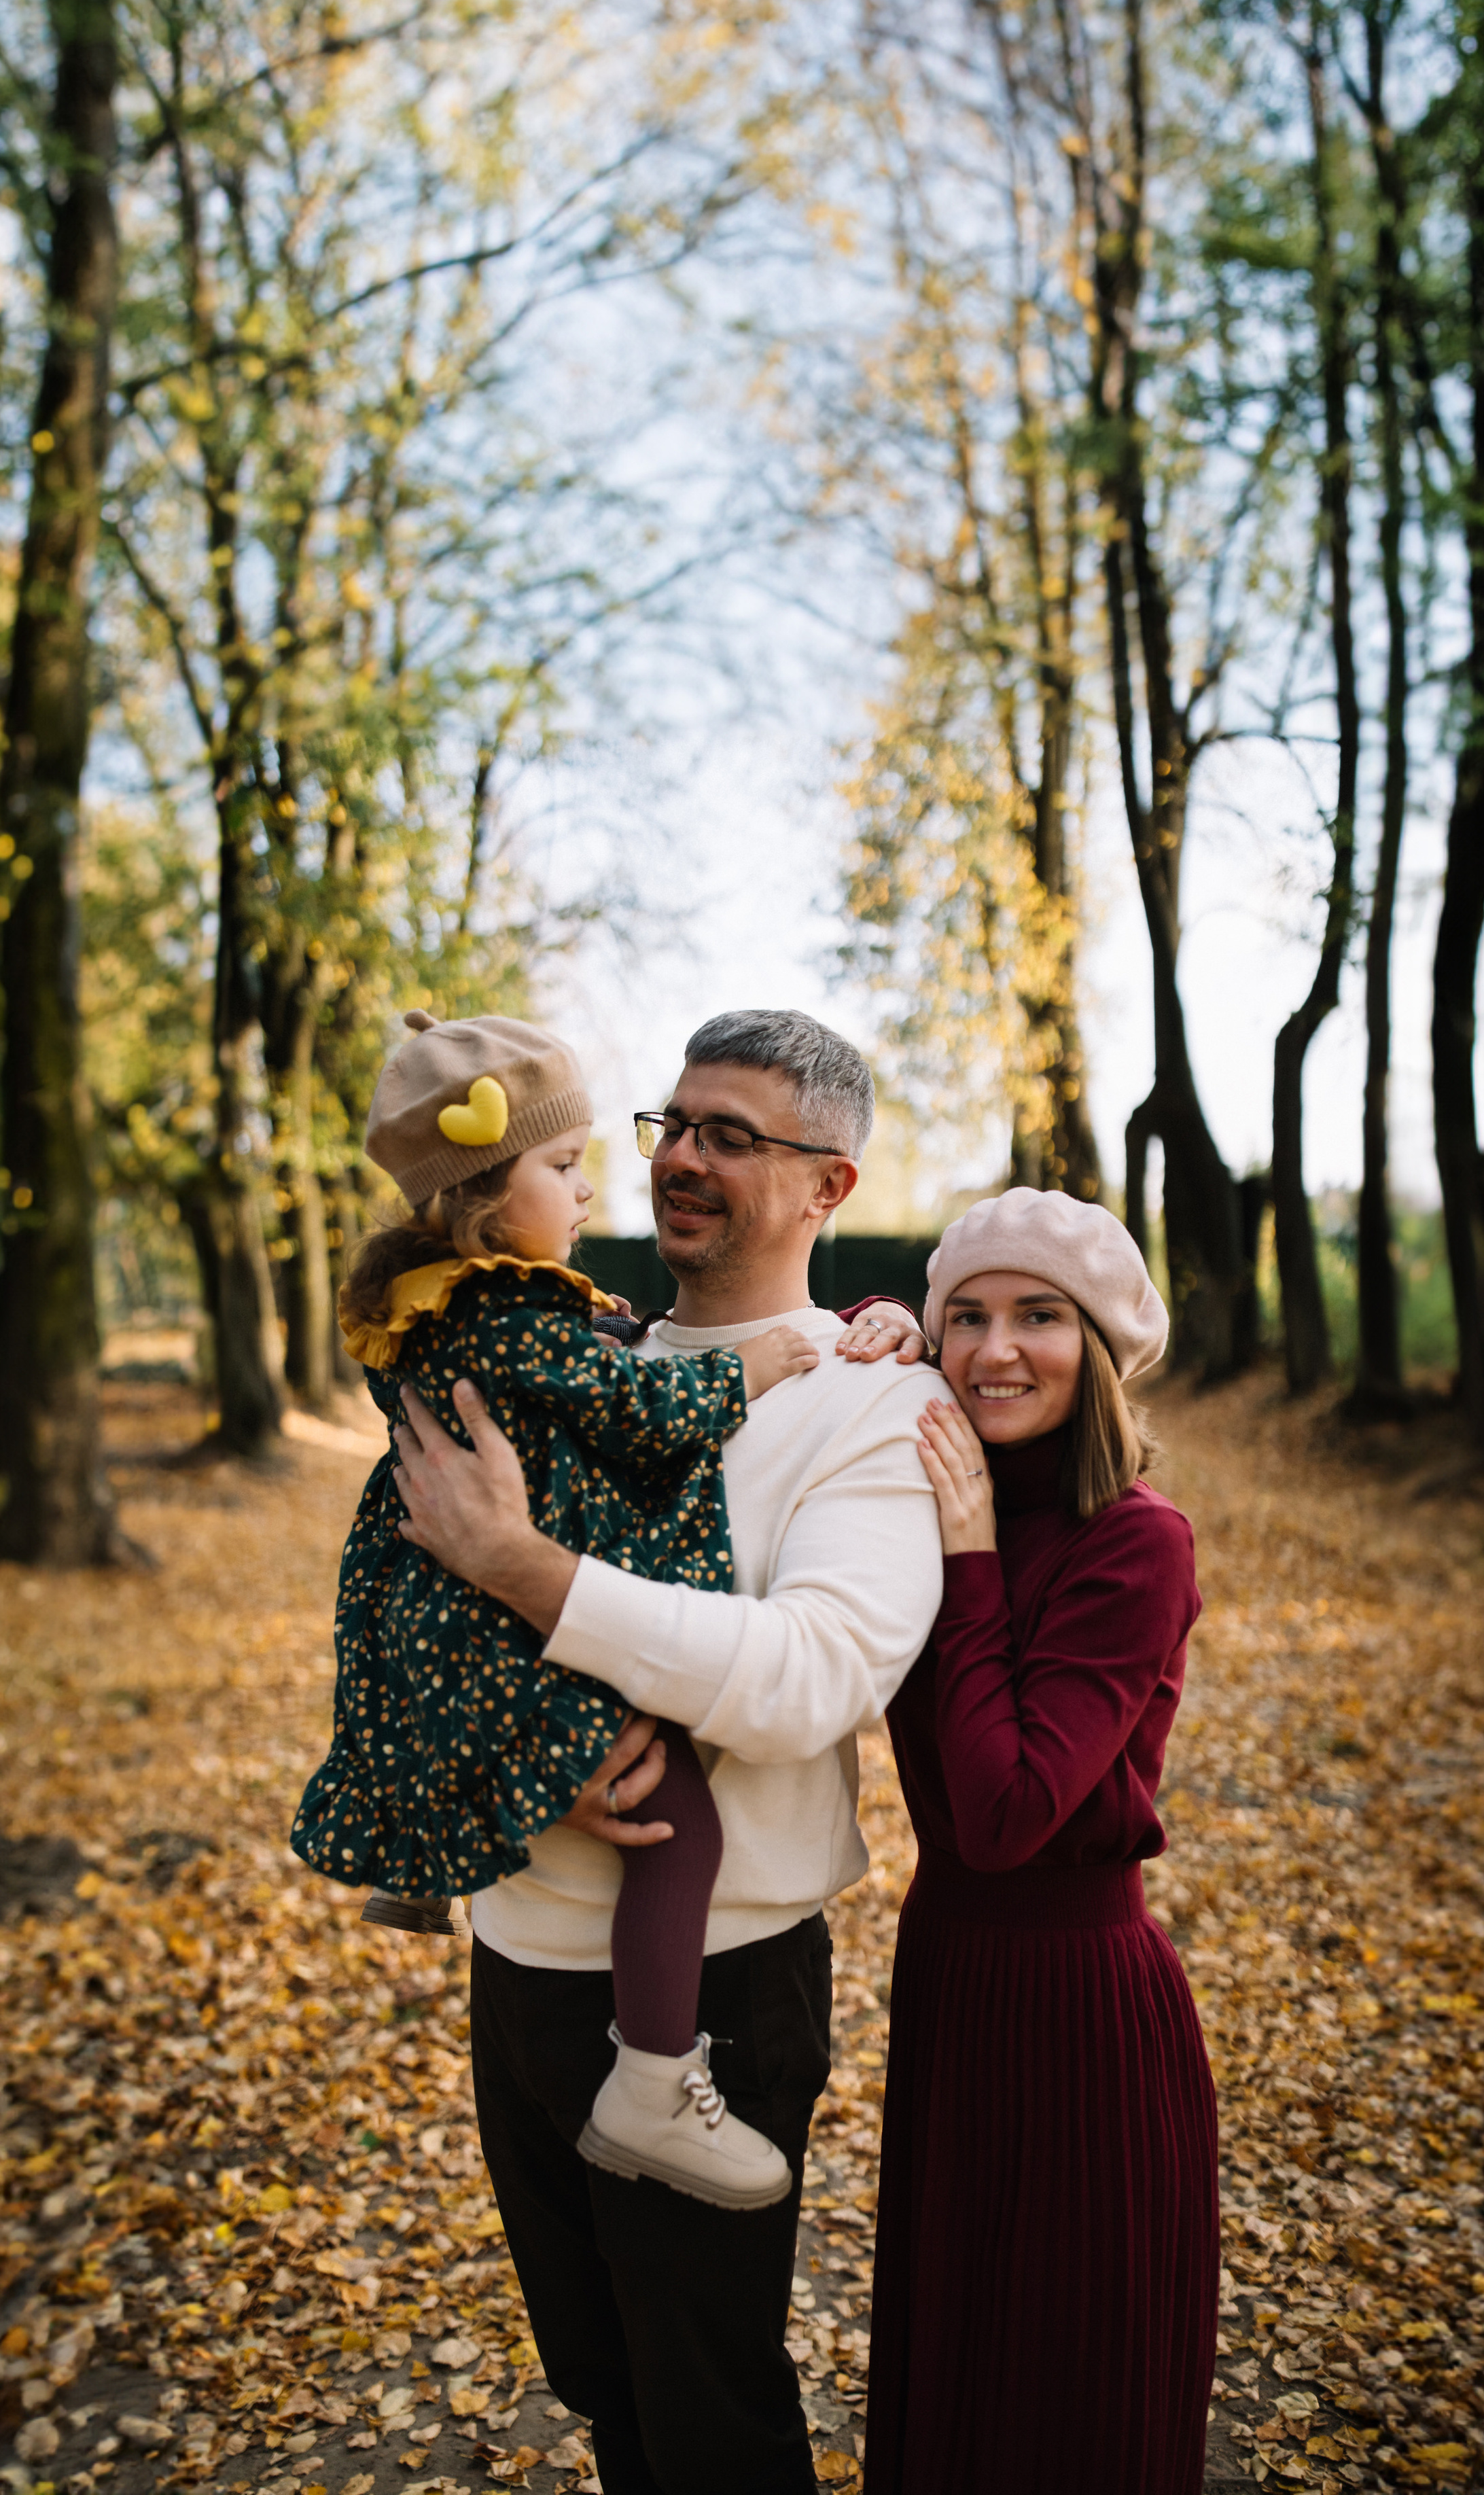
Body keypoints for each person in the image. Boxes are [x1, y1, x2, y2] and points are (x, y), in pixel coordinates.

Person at [382, 1008, 948, 2495]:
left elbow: (806, 1681)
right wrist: (523, 1743)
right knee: (604, 2390)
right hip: (517, 1962)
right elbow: (408, 1597)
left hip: (718, 1994)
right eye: (671, 1126)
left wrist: (530, 1573)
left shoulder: (873, 1401)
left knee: (713, 2422)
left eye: (733, 1138)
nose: (680, 1161)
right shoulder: (576, 1352)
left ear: (830, 1185)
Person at [292, 1007, 818, 2209]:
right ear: (484, 1199)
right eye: (566, 1167)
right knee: (675, 1814)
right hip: (492, 1620)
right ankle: (654, 2078)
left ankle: (420, 1847)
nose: (594, 1191)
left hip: (426, 1609)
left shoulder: (451, 1304)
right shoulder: (508, 1314)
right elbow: (631, 1412)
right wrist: (754, 1364)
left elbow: (589, 1370)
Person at [864, 1186, 1220, 2495]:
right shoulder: (914, 1487)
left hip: (1079, 1999)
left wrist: (964, 1556)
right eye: (968, 1317)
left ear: (1103, 1348)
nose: (997, 1349)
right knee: (954, 2353)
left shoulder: (1137, 1542)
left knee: (1061, 2386)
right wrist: (879, 1326)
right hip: (950, 1970)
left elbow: (1010, 1814)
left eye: (1040, 1317)